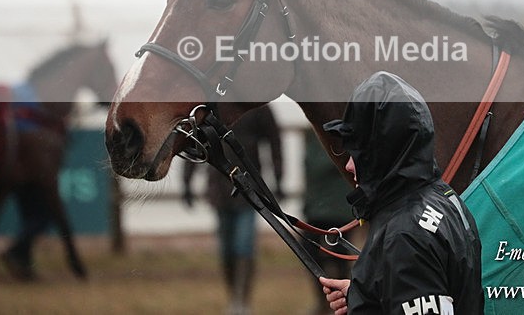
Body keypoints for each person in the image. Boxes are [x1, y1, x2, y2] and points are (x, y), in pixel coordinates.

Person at [319, 71, 484, 314]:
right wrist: (366, 295)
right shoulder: (444, 198)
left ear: (380, 151)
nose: (348, 166)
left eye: (357, 152)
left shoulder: (405, 235)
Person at [183, 104, 284, 315]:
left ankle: (242, 301)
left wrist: (278, 178)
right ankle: (234, 298)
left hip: (249, 190)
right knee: (226, 249)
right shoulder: (210, 107)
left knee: (244, 245)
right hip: (219, 190)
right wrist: (186, 183)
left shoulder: (257, 106)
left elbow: (274, 142)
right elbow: (194, 142)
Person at [302, 128, 356, 315]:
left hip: (338, 211)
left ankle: (347, 300)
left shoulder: (338, 137)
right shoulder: (311, 135)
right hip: (316, 209)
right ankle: (323, 301)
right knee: (308, 253)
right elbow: (310, 172)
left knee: (339, 255)